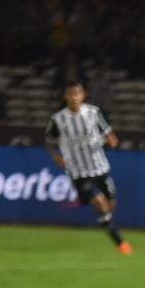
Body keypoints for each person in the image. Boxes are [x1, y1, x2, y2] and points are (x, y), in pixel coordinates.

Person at [45, 82, 132, 255]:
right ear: (65, 97)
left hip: (100, 168)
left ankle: (103, 221)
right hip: (79, 172)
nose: (74, 97)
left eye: (77, 94)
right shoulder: (58, 119)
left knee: (110, 206)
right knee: (99, 202)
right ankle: (120, 242)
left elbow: (110, 135)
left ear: (83, 95)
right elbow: (49, 141)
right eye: (70, 94)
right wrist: (57, 157)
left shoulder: (94, 113)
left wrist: (111, 142)